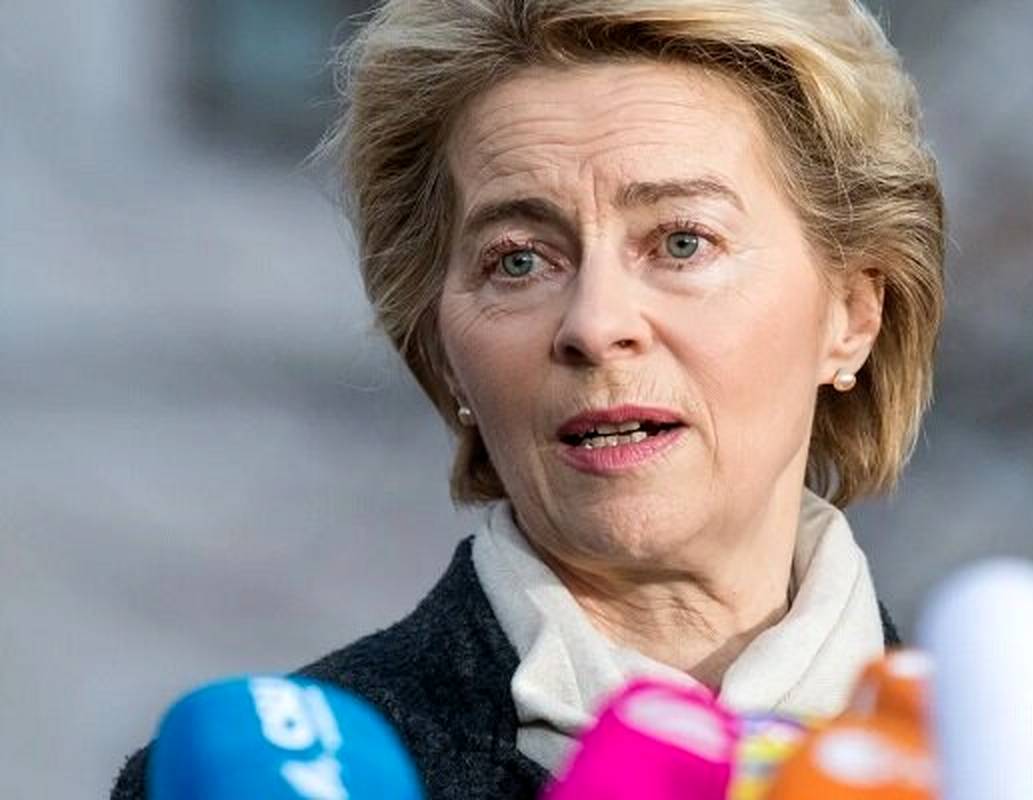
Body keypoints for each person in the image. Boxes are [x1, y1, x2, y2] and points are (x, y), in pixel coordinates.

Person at [112, 1, 943, 797]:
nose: (595, 325)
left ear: (852, 314)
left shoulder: (996, 757)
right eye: (518, 260)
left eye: (682, 242)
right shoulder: (241, 782)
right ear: (441, 352)